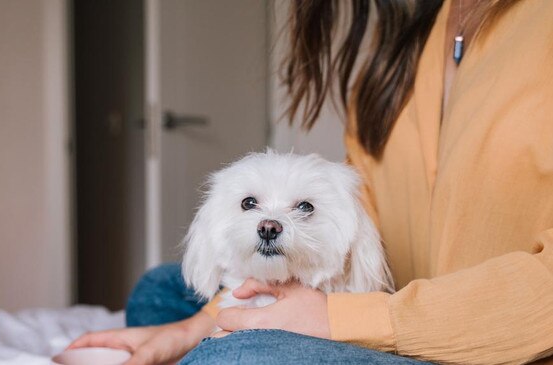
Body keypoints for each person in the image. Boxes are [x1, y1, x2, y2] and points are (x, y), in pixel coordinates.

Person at [68, 0, 553, 363]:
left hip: (508, 344)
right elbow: (360, 219)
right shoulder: (404, 47)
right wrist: (199, 325)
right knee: (158, 292)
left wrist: (343, 320)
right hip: (389, 297)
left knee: (240, 357)